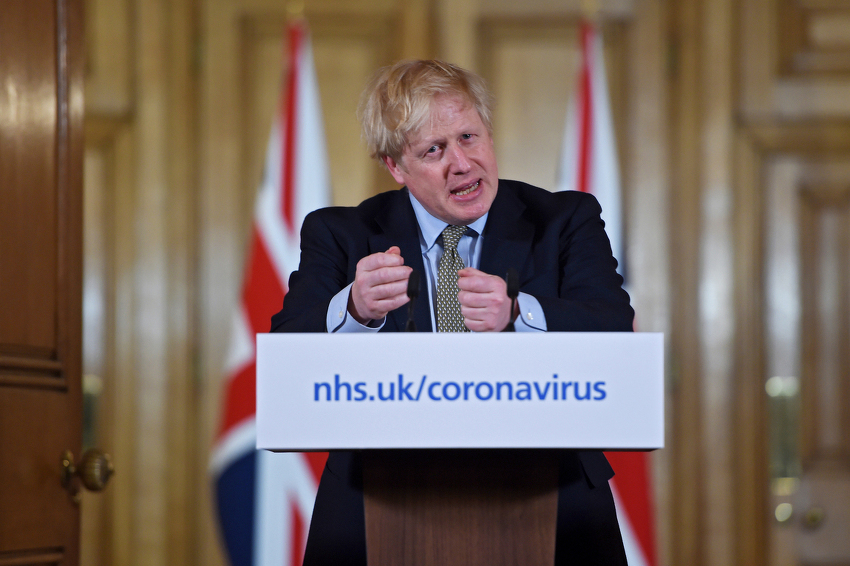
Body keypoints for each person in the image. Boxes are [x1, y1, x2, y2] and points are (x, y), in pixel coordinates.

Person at [271, 59, 634, 565]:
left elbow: (616, 333)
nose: (462, 163)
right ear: (396, 165)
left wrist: (519, 313)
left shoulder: (565, 220)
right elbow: (283, 365)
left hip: (551, 497)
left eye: (469, 136)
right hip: (376, 503)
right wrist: (351, 309)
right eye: (434, 150)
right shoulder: (342, 234)